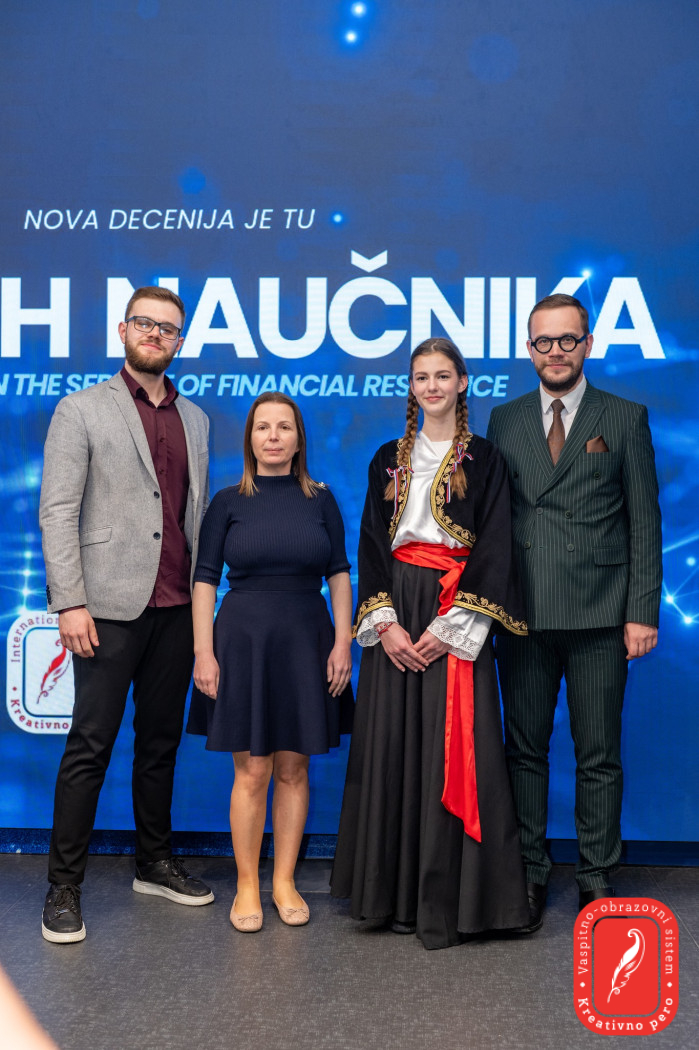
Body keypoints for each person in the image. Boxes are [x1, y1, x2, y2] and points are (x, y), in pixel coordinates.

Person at [331, 337, 530, 950]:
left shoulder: (486, 458)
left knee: (456, 748)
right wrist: (385, 624)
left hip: (454, 609)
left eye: (444, 376)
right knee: (393, 743)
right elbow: (371, 543)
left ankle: (455, 901)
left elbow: (495, 544)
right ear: (412, 386)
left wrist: (449, 631)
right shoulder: (387, 459)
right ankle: (388, 896)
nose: (433, 387)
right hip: (396, 607)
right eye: (422, 377)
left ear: (462, 383)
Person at [39, 286, 214, 944]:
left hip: (176, 606)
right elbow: (58, 510)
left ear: (179, 341)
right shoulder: (81, 409)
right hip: (106, 609)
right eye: (145, 323)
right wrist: (70, 601)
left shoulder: (196, 419)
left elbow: (193, 516)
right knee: (90, 747)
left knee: (159, 744)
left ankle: (153, 863)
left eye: (167, 329)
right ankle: (63, 888)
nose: (155, 335)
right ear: (123, 329)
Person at [486, 293, 662, 927]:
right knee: (524, 750)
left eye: (567, 340)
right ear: (528, 349)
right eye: (544, 342)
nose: (555, 352)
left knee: (598, 753)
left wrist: (642, 611)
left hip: (601, 616)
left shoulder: (624, 416)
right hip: (523, 614)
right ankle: (530, 873)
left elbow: (645, 521)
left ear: (588, 344)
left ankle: (595, 877)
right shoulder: (504, 420)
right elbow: (492, 521)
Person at [187, 392, 353, 932]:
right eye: (263, 427)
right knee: (252, 770)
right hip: (242, 644)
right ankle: (246, 884)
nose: (274, 436)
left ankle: (283, 881)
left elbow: (339, 574)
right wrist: (204, 652)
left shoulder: (321, 500)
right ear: (251, 439)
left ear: (299, 438)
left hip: (308, 642)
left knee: (293, 768)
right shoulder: (227, 501)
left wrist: (343, 643)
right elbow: (204, 580)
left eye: (284, 427)